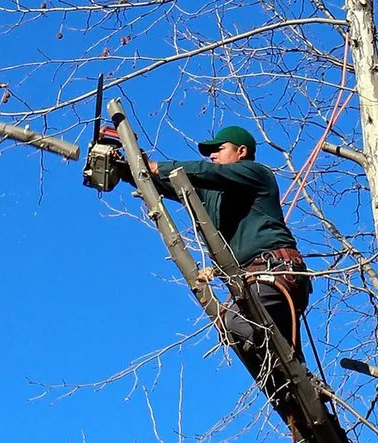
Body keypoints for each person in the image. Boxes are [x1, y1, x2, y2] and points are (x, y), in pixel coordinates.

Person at [117, 125, 311, 357]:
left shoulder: (256, 174)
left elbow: (207, 173)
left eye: (219, 149)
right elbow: (170, 184)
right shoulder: (213, 194)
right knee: (277, 368)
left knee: (232, 323)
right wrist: (127, 168)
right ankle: (301, 386)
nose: (212, 156)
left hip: (275, 273)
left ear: (241, 151)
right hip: (255, 282)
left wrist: (158, 166)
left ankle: (287, 369)